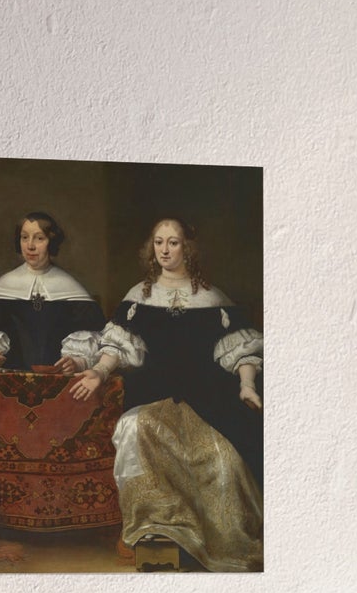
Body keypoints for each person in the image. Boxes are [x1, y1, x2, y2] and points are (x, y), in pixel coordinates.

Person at [68, 217, 263, 571]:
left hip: (206, 401)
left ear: (187, 248)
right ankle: (158, 531)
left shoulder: (212, 299)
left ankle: (212, 542)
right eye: (159, 242)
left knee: (223, 462)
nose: (165, 250)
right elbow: (118, 345)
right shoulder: (137, 297)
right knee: (133, 430)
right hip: (152, 397)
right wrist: (98, 371)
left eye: (173, 243)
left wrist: (246, 385)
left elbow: (241, 350)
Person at [0, 211, 105, 371]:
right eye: (24, 237)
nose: (30, 245)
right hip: (9, 379)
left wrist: (78, 362)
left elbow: (90, 338)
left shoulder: (71, 288)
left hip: (59, 381)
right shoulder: (1, 287)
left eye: (39, 238)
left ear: (51, 242)